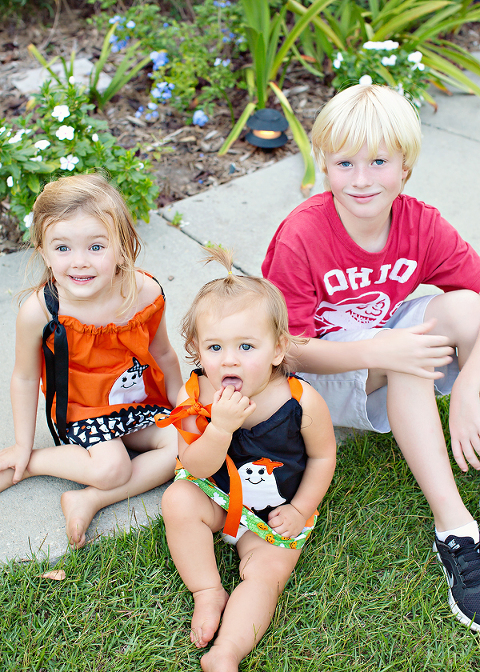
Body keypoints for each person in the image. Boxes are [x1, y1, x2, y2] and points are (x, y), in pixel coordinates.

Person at [262, 83, 480, 631]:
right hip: (324, 373)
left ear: (405, 166)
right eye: (345, 163)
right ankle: (455, 529)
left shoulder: (420, 223)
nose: (361, 179)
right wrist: (380, 349)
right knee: (409, 357)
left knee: (465, 309)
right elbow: (286, 351)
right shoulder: (301, 235)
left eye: (379, 162)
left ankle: (465, 419)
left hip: (381, 340)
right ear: (324, 165)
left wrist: (468, 388)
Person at [158, 246, 336, 672]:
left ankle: (227, 652)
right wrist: (219, 428)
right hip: (215, 496)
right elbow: (194, 466)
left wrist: (300, 509)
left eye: (246, 346)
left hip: (274, 514)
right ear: (196, 349)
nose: (230, 359)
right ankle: (207, 591)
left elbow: (323, 456)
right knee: (177, 500)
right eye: (215, 346)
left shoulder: (301, 401)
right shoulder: (195, 395)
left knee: (266, 575)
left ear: (277, 350)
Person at [0, 173, 182, 548]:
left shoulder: (144, 292)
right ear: (43, 251)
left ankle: (89, 499)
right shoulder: (42, 311)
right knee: (112, 467)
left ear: (122, 247)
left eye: (96, 247)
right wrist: (22, 442)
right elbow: (24, 377)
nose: (79, 262)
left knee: (185, 445)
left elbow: (162, 352)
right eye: (62, 248)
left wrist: (182, 402)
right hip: (81, 410)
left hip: (138, 403)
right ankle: (29, 461)